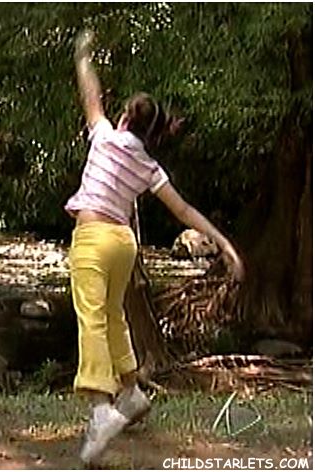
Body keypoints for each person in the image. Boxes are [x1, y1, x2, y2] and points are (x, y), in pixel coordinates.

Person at [65, 29, 245, 466]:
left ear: (126, 118)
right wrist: (225, 244)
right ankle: (130, 392)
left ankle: (101, 409)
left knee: (91, 317)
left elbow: (91, 97)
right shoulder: (148, 165)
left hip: (92, 237)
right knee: (113, 315)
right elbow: (184, 210)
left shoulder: (105, 137)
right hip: (123, 243)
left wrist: (83, 56)